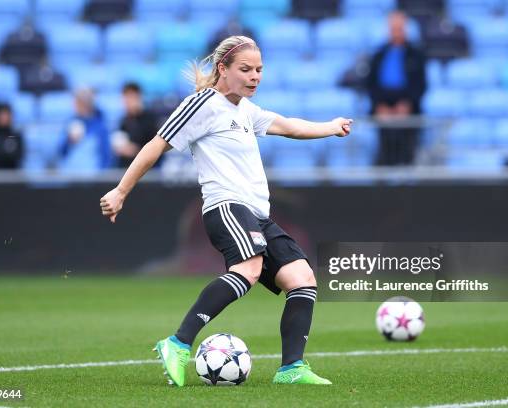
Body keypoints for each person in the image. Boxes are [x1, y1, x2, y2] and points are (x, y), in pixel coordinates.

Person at [100, 35, 352, 386]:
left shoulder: (247, 110)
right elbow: (155, 145)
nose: (255, 76)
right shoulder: (202, 104)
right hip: (226, 206)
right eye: (246, 69)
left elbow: (289, 126)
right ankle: (178, 343)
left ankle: (291, 369)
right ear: (223, 69)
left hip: (257, 215)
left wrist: (330, 127)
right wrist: (121, 190)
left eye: (259, 70)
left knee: (302, 280)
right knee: (248, 269)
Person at [367, 11, 426, 165]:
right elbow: (371, 84)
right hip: (383, 109)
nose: (396, 32)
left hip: (408, 110)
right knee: (385, 152)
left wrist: (407, 104)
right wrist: (379, 106)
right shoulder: (378, 55)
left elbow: (420, 84)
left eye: (400, 28)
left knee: (406, 152)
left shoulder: (416, 55)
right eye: (393, 28)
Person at [59, 87, 111, 170]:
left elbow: (105, 156)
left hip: (94, 178)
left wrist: (101, 178)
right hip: (71, 176)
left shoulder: (100, 127)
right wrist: (69, 140)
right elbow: (61, 152)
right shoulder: (71, 123)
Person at [112, 82, 161, 168]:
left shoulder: (150, 120)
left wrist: (135, 150)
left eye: (131, 97)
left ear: (139, 97)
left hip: (148, 171)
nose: (128, 101)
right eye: (126, 97)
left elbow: (157, 148)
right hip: (126, 169)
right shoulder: (123, 121)